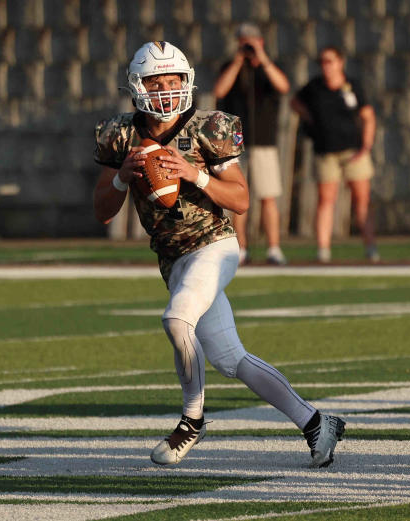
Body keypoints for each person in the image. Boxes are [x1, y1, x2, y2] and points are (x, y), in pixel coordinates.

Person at [93, 41, 345, 468]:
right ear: (139, 86)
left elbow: (242, 200)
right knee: (230, 359)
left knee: (176, 319)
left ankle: (192, 420)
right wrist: (120, 178)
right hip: (173, 259)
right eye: (158, 81)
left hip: (215, 244)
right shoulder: (121, 134)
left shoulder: (211, 126)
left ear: (187, 82)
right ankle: (317, 422)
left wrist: (195, 174)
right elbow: (101, 212)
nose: (167, 89)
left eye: (174, 80)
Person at [213, 23, 290, 266]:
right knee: (238, 198)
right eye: (243, 42)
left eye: (250, 41)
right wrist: (238, 62)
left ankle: (274, 248)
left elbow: (283, 87)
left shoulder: (269, 67)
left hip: (264, 141)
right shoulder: (231, 67)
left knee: (268, 195)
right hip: (235, 142)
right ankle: (241, 247)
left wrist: (262, 59)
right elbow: (220, 91)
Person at [291, 46, 378, 264]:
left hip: (353, 150)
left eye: (330, 61)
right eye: (322, 62)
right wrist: (309, 117)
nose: (326, 66)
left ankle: (370, 247)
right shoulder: (315, 87)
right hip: (325, 151)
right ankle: (323, 249)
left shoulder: (352, 86)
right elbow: (295, 102)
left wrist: (366, 146)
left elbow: (368, 116)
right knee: (326, 199)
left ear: (340, 63)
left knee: (362, 201)